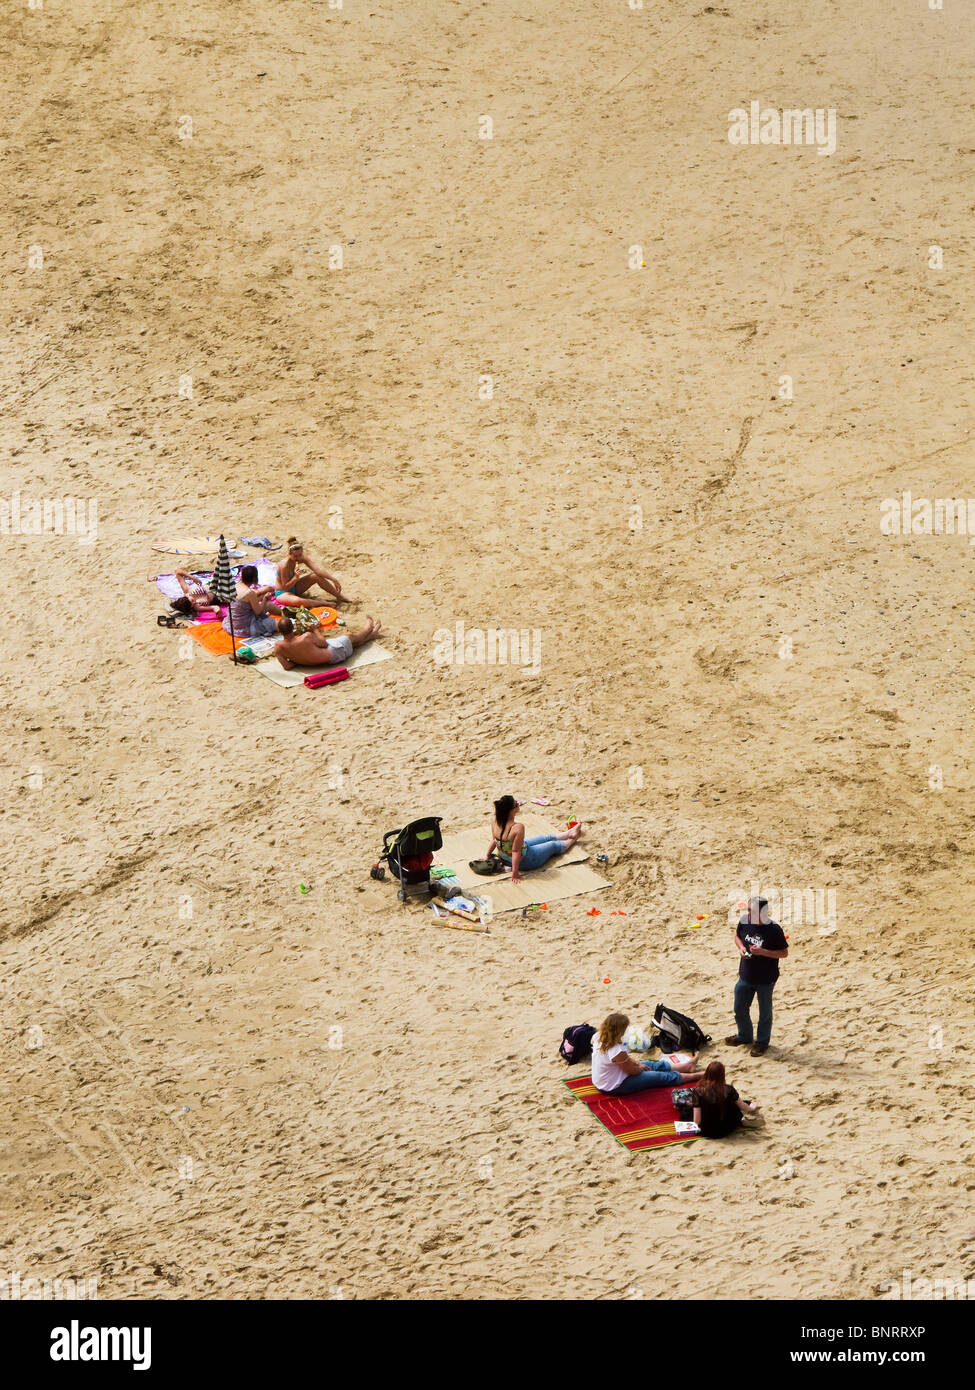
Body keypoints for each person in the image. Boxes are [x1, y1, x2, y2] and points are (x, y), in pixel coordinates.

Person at [725, 895, 789, 1056]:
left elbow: (784, 953)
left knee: (765, 1013)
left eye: (751, 911)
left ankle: (761, 1043)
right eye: (748, 910)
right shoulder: (745, 921)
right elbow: (737, 937)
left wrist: (762, 952)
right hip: (745, 975)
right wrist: (741, 948)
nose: (748, 913)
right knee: (739, 1008)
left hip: (766, 979)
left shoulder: (774, 929)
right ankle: (744, 1036)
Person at [591, 1013, 705, 1095]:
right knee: (659, 1076)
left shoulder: (598, 1037)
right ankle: (695, 1076)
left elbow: (626, 1061)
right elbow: (632, 1071)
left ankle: (686, 1066)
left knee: (650, 1064)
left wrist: (637, 1063)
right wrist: (639, 1067)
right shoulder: (616, 1050)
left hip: (609, 1076)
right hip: (614, 1086)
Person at [486, 794, 582, 884]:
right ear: (511, 811)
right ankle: (573, 839)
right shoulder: (517, 827)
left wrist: (487, 855)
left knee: (544, 838)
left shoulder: (495, 819)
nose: (518, 804)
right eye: (516, 804)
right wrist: (515, 873)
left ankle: (568, 833)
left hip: (505, 857)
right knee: (553, 845)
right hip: (526, 860)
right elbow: (516, 851)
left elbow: (494, 840)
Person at [274, 614, 382, 669]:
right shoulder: (305, 637)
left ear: (280, 631)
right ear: (293, 628)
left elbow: (287, 666)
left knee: (353, 645)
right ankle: (368, 628)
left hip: (328, 659)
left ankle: (372, 634)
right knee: (351, 637)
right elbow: (324, 643)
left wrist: (299, 658)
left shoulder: (278, 647)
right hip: (335, 653)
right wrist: (314, 630)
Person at [690, 1060, 760, 1137]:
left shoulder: (698, 1091)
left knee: (688, 1110)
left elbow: (697, 1121)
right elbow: (743, 1106)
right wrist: (752, 1108)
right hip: (728, 1128)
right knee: (737, 1102)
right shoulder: (729, 1089)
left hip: (707, 1131)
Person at [276, 537, 353, 606]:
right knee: (298, 601)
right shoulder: (284, 565)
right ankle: (323, 603)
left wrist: (333, 579)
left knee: (315, 576)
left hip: (295, 587)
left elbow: (318, 570)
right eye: (295, 556)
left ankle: (340, 596)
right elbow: (285, 587)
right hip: (283, 593)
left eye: (300, 555)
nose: (298, 558)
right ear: (289, 554)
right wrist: (295, 578)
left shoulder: (302, 558)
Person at [224, 564, 282, 639]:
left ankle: (282, 613)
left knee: (265, 604)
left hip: (232, 623)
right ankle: (283, 613)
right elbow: (259, 612)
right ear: (254, 579)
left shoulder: (235, 586)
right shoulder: (249, 593)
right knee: (275, 623)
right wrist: (265, 599)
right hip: (245, 626)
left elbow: (244, 602)